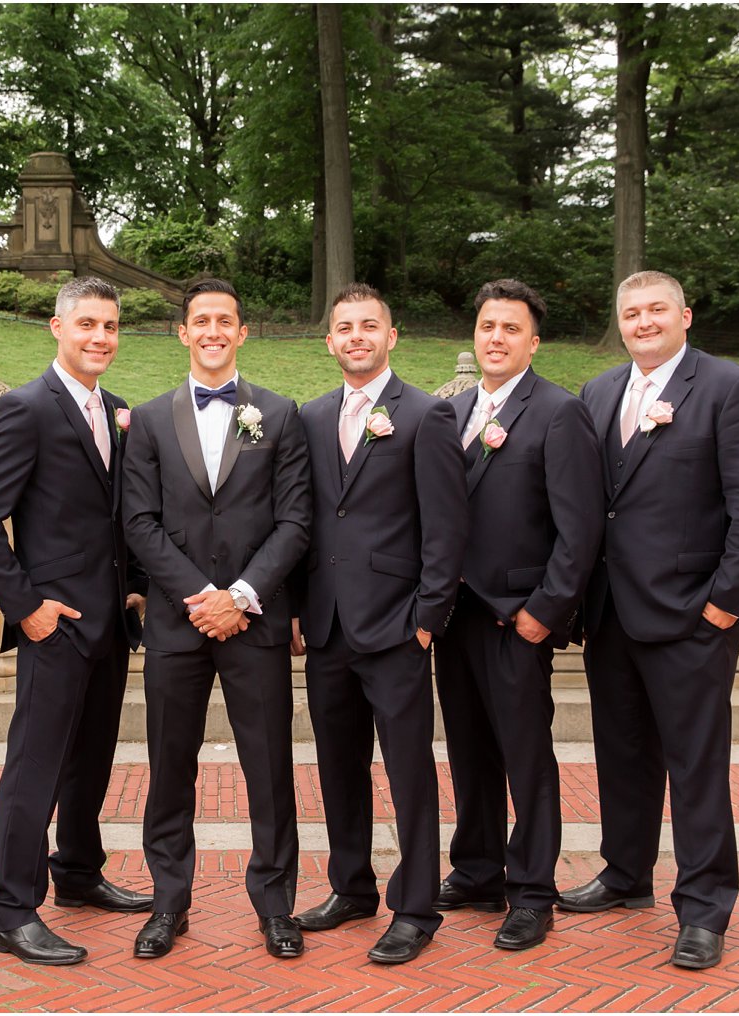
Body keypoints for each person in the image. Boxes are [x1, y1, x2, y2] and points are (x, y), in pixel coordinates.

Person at [561, 270, 739, 970]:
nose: (644, 321)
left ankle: (705, 907)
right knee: (621, 754)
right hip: (611, 614)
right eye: (631, 312)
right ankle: (625, 875)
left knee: (695, 765)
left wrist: (723, 604)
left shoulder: (731, 388)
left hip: (692, 614)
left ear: (685, 315)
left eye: (657, 309)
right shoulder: (598, 392)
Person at [0, 277, 151, 966]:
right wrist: (26, 607)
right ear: (57, 328)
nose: (100, 337)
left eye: (110, 326)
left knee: (90, 761)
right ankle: (12, 910)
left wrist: (137, 588)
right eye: (88, 325)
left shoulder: (119, 410)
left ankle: (77, 872)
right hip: (54, 623)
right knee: (33, 767)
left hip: (110, 623)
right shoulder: (24, 409)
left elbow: (119, 516)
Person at [121, 279, 311, 961]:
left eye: (224, 320)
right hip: (177, 623)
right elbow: (138, 524)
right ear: (182, 332)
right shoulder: (145, 420)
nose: (212, 330)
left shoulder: (280, 415)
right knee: (170, 767)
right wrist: (203, 595)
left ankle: (275, 905)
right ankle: (168, 902)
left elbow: (296, 520)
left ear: (242, 332)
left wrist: (243, 595)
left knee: (270, 767)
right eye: (200, 320)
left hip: (255, 623)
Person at [290, 283, 466, 964]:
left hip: (396, 628)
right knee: (338, 766)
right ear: (329, 340)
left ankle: (417, 907)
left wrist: (425, 620)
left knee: (408, 772)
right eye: (344, 327)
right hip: (327, 627)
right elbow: (308, 521)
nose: (356, 336)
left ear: (391, 336)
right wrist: (303, 610)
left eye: (369, 325)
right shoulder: (310, 416)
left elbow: (447, 530)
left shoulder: (427, 415)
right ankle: (351, 886)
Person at [435, 279, 603, 951]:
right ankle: (477, 869)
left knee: (526, 756)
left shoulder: (559, 413)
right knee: (469, 749)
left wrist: (546, 611)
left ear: (533, 342)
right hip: (457, 615)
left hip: (518, 617)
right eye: (486, 327)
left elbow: (580, 527)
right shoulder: (451, 413)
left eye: (510, 328)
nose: (496, 338)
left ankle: (532, 889)